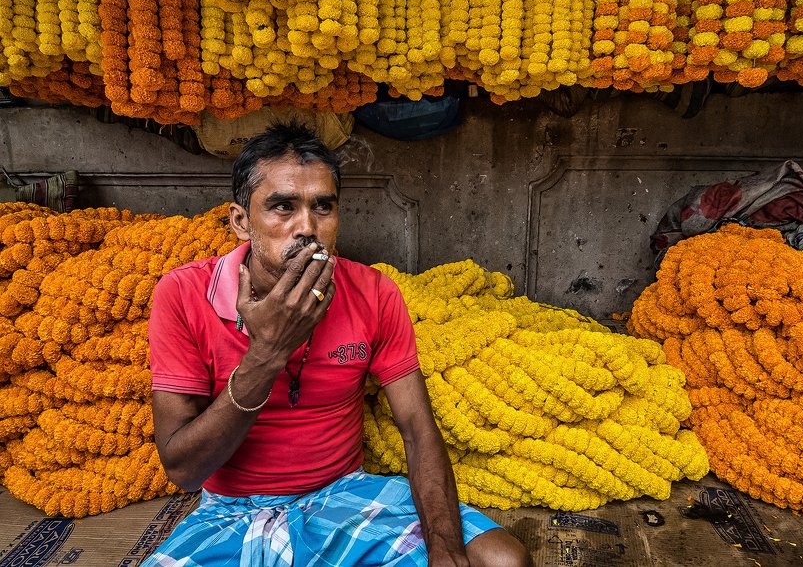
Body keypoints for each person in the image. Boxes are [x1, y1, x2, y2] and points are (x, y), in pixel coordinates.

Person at [143, 122, 532, 567]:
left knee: (501, 561)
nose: (306, 227)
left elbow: (417, 430)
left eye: (323, 207)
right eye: (282, 206)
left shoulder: (374, 292)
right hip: (231, 510)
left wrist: (444, 551)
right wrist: (268, 353)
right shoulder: (183, 293)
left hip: (343, 495)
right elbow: (183, 470)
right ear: (241, 221)